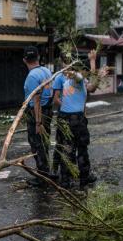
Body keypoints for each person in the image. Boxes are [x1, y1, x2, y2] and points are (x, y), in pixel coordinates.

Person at [52, 50, 105, 189]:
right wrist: (64, 105)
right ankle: (65, 180)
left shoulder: (79, 77)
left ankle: (84, 177)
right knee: (67, 150)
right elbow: (56, 98)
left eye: (69, 62)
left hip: (78, 118)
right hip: (66, 118)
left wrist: (97, 74)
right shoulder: (61, 78)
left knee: (81, 148)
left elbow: (91, 88)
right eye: (65, 62)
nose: (67, 65)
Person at [23, 45, 54, 186]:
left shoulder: (31, 76)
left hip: (37, 113)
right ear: (38, 57)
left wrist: (37, 122)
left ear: (24, 60)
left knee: (36, 144)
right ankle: (46, 171)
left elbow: (36, 100)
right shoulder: (47, 71)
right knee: (44, 142)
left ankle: (43, 177)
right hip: (48, 110)